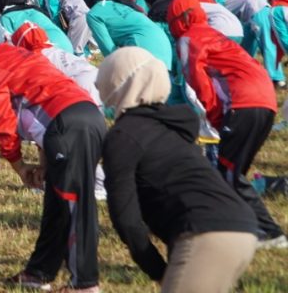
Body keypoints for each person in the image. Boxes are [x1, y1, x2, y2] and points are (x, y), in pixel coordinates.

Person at [96, 47, 259, 293]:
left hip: (206, 234)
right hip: (241, 226)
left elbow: (126, 218)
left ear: (117, 84)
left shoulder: (123, 136)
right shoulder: (171, 127)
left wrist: (158, 270)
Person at [0, 18, 105, 293]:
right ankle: (38, 273)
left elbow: (0, 118)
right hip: (85, 117)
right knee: (56, 203)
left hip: (67, 126)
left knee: (75, 204)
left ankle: (85, 284)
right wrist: (44, 163)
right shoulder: (25, 55)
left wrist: (17, 164)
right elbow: (44, 103)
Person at [167, 0, 286, 247]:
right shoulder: (214, 34)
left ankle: (269, 233)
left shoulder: (189, 39)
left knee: (228, 173)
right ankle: (232, 225)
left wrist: (217, 117)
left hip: (244, 102)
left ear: (177, 20)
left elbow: (198, 83)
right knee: (232, 170)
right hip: (265, 99)